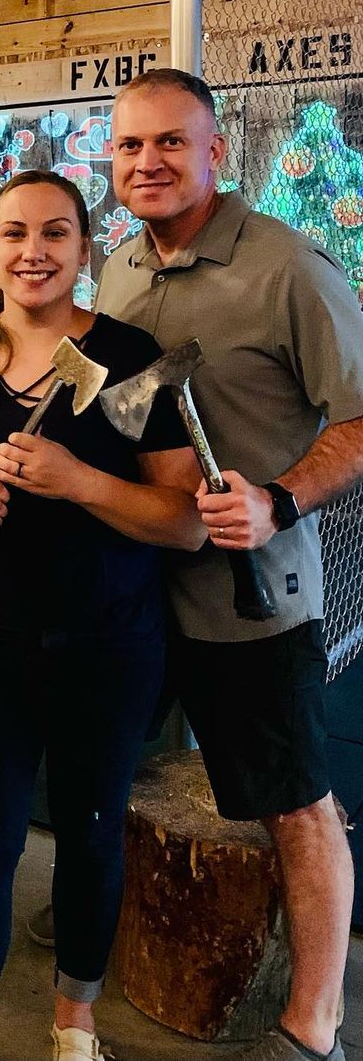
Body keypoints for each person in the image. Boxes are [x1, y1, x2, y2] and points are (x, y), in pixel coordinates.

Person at [0, 169, 204, 1061]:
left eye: (55, 233)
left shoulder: (131, 358)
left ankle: (76, 1022)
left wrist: (82, 482)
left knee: (92, 839)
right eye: (15, 233)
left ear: (83, 247)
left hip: (110, 641)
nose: (34, 252)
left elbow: (183, 522)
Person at [97, 68, 363, 1061]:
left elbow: (362, 418)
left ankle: (314, 1024)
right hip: (139, 583)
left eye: (171, 142)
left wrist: (278, 497)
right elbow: (116, 406)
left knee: (297, 802)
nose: (148, 161)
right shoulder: (120, 270)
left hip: (254, 602)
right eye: (129, 145)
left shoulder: (287, 267)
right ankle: (108, 906)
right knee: (115, 763)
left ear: (217, 153)